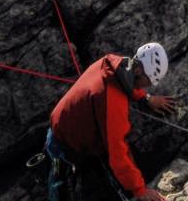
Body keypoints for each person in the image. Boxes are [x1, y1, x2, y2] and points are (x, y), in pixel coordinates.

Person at [46, 42, 177, 201]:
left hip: (67, 127)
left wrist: (145, 98)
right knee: (61, 195)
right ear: (138, 70)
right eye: (148, 82)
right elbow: (118, 153)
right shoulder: (114, 102)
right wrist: (140, 190)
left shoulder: (111, 62)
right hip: (64, 144)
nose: (148, 86)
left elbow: (126, 81)